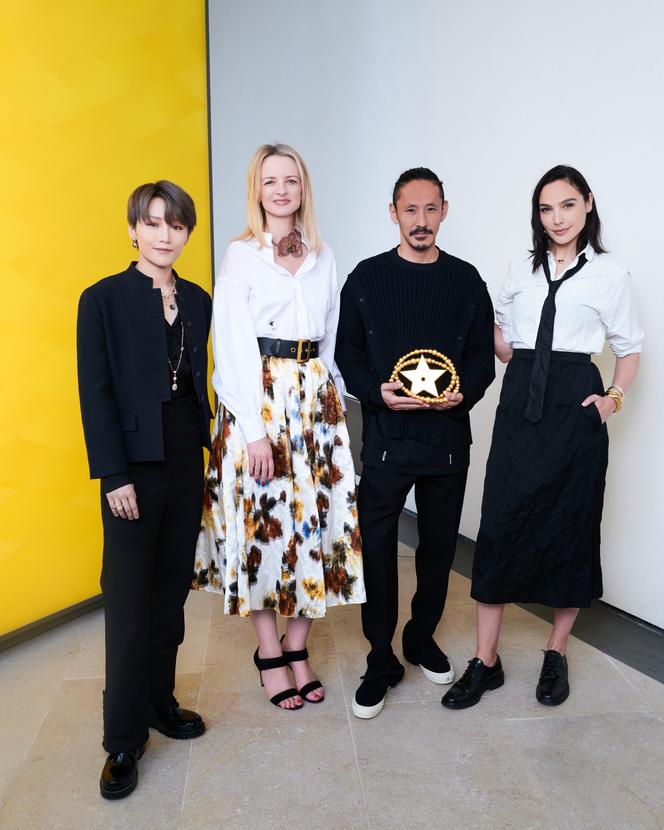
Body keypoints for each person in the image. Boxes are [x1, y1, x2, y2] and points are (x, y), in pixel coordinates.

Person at [442, 165, 642, 711]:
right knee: (501, 523)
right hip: (521, 401)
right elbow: (506, 348)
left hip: (576, 407)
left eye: (568, 206)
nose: (557, 218)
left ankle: (557, 650)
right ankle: (486, 660)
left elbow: (629, 350)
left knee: (569, 524)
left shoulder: (610, 274)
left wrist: (611, 401)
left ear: (588, 205)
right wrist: (475, 317)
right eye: (546, 209)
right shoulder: (520, 270)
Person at [192, 143, 365, 711]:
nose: (282, 189)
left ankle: (298, 648)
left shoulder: (324, 255)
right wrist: (253, 430)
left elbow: (331, 337)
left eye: (291, 179)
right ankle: (268, 651)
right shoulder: (241, 255)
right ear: (257, 190)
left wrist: (336, 403)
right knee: (265, 531)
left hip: (315, 405)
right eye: (271, 181)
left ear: (303, 188)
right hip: (259, 403)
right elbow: (233, 344)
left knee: (315, 526)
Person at [335, 167, 495, 719]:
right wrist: (374, 393)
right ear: (394, 212)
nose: (421, 221)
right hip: (385, 435)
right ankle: (380, 658)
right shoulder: (366, 279)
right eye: (411, 210)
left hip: (447, 438)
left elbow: (479, 358)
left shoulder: (467, 281)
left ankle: (420, 637)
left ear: (445, 211)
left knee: (438, 549)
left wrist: (463, 394)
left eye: (431, 209)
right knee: (376, 549)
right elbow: (347, 353)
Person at [77, 181, 211, 799]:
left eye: (175, 225)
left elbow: (199, 384)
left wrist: (210, 463)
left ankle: (160, 702)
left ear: (186, 232)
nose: (165, 235)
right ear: (133, 228)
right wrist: (114, 475)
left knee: (168, 601)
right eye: (153, 223)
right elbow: (96, 394)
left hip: (186, 465)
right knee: (128, 607)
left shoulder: (200, 300)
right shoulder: (101, 300)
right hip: (132, 471)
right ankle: (123, 740)